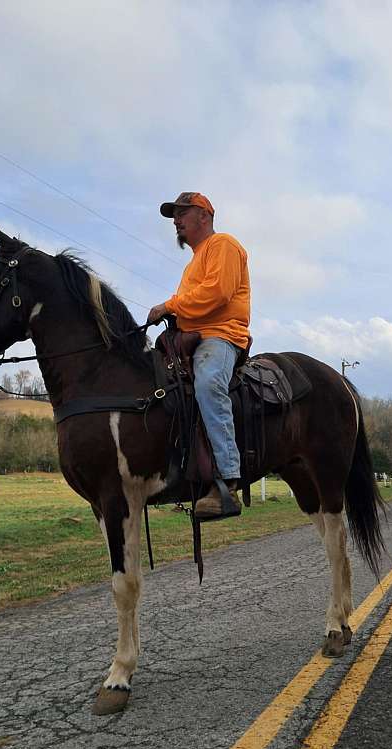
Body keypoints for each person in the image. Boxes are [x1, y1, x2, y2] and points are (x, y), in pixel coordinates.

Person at [147, 192, 251, 517]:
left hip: (220, 336)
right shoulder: (194, 261)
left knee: (207, 384)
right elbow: (191, 303)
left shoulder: (224, 245)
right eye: (174, 216)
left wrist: (169, 305)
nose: (176, 221)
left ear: (203, 216)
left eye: (182, 213)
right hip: (192, 339)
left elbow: (217, 293)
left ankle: (226, 481)